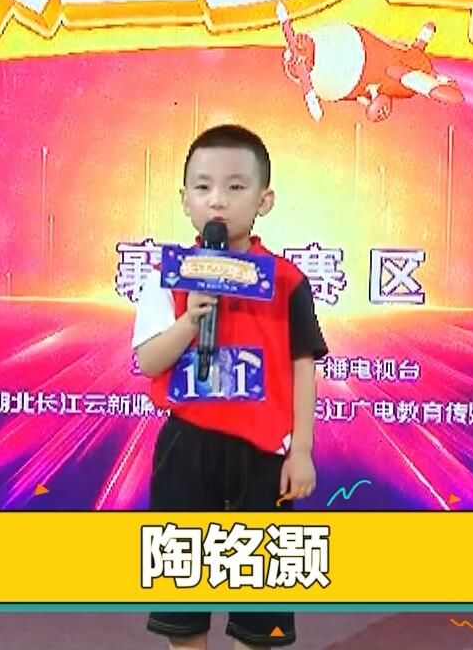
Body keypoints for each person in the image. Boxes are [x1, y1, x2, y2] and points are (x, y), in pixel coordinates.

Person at [133, 124, 329, 649]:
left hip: (264, 454)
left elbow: (303, 365)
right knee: (182, 595)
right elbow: (149, 361)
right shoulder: (166, 276)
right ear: (185, 200)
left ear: (265, 200)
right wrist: (189, 321)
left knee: (260, 603)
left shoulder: (286, 281)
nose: (217, 199)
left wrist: (301, 451)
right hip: (187, 445)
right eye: (203, 187)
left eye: (235, 186)